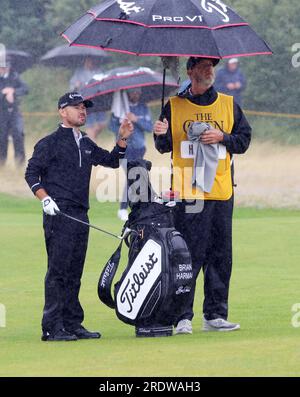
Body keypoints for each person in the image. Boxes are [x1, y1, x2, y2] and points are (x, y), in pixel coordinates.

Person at [153, 57, 252, 334]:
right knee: (188, 255)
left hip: (221, 191)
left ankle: (216, 315)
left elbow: (243, 141)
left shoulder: (229, 104)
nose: (209, 71)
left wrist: (222, 137)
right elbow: (163, 146)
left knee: (220, 255)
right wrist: (158, 133)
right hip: (188, 192)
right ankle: (182, 316)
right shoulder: (173, 105)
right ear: (190, 71)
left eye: (212, 67)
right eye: (203, 66)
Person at [25, 92, 133, 342]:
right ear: (62, 111)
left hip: (80, 214)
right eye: (76, 107)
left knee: (74, 272)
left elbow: (111, 161)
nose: (82, 111)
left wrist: (122, 139)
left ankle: (72, 323)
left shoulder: (85, 141)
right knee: (58, 271)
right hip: (58, 213)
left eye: (84, 107)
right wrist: (45, 199)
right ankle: (52, 326)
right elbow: (32, 175)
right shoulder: (48, 143)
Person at [109, 87, 153, 221]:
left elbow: (149, 127)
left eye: (138, 92)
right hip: (125, 148)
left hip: (139, 148)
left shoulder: (143, 107)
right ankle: (123, 208)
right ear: (128, 94)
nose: (136, 94)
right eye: (134, 92)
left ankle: (138, 207)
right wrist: (123, 124)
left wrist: (135, 120)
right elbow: (112, 127)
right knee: (132, 175)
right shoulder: (120, 108)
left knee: (137, 175)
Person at [70, 57, 107, 141]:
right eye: (88, 60)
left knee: (102, 124)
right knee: (90, 125)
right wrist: (76, 85)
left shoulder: (99, 71)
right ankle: (91, 147)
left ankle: (87, 140)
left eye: (92, 60)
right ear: (85, 61)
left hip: (99, 101)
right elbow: (72, 87)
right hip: (85, 102)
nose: (90, 62)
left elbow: (104, 84)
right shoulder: (79, 73)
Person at [0, 59, 28, 166]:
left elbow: (25, 89)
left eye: (3, 67)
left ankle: (20, 162)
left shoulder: (15, 77)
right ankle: (1, 163)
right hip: (1, 112)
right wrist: (3, 93)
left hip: (15, 112)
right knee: (2, 137)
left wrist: (13, 91)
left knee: (18, 135)